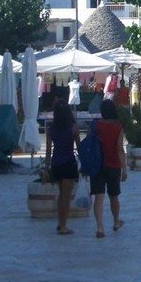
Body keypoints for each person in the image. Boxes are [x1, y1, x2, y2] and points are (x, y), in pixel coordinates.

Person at [90, 98, 127, 238]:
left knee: (98, 197)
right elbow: (119, 148)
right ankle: (116, 221)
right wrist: (124, 169)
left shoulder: (94, 126)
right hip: (113, 164)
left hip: (97, 165)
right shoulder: (118, 128)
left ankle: (99, 227)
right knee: (114, 196)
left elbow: (90, 145)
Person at [44, 98, 81, 235]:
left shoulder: (51, 128)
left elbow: (48, 152)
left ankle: (60, 222)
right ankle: (63, 225)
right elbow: (79, 146)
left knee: (61, 195)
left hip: (56, 163)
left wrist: (46, 170)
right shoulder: (73, 126)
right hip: (68, 162)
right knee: (66, 196)